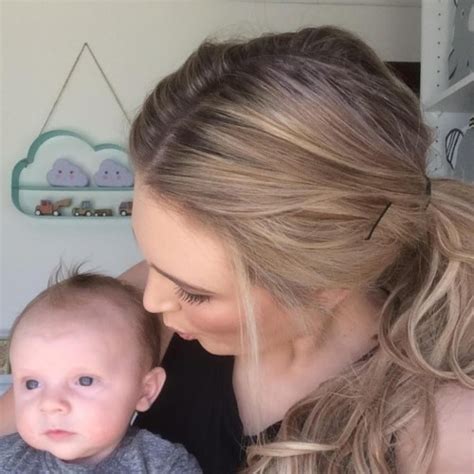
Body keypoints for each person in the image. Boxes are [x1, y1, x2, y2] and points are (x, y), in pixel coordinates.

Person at [1, 25, 473, 473]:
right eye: (151, 259)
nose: (151, 300)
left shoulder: (440, 431)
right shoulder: (128, 313)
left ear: (323, 285)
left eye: (194, 293)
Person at [0, 269, 202, 473]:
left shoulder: (164, 466)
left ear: (146, 391)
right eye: (32, 384)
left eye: (85, 380)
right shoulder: (6, 458)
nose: (50, 404)